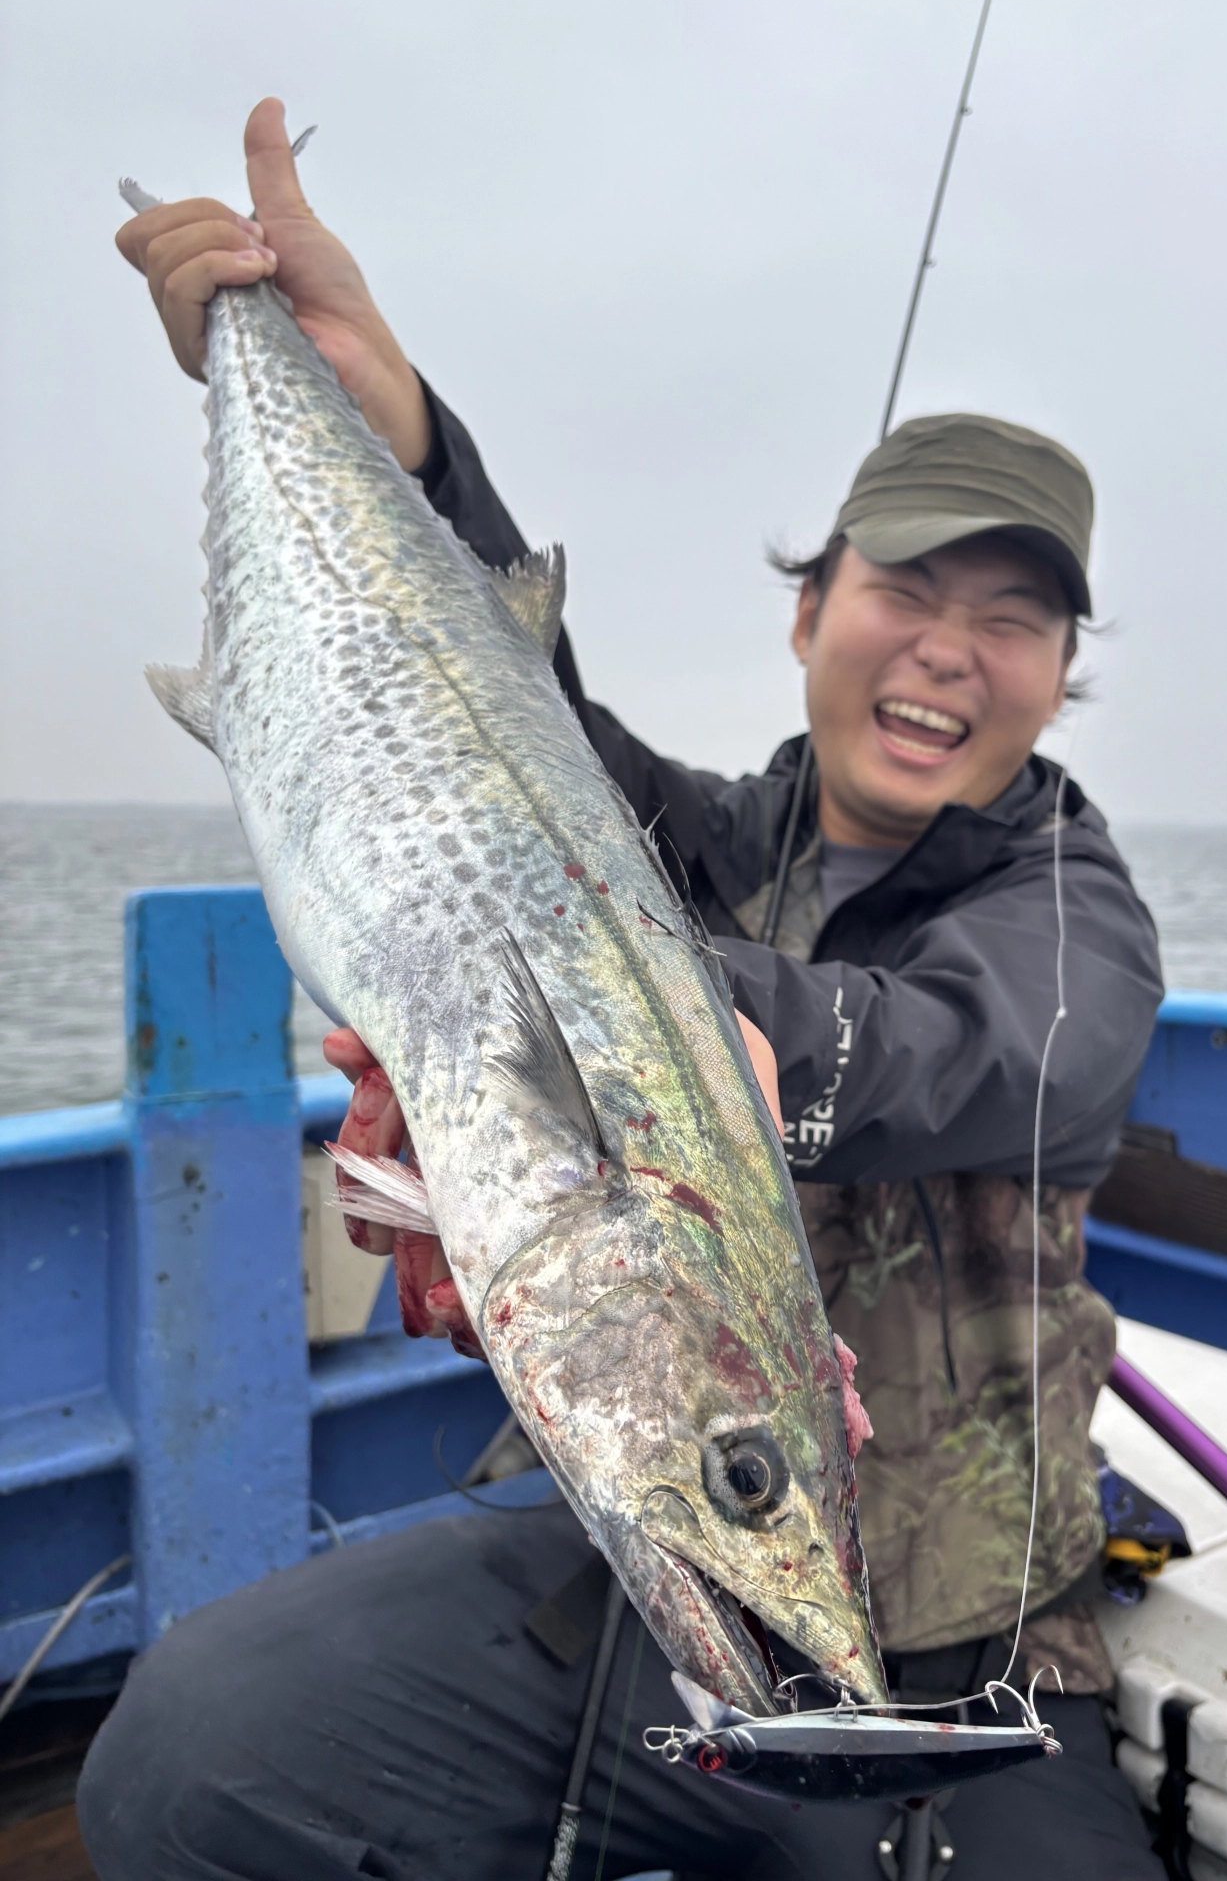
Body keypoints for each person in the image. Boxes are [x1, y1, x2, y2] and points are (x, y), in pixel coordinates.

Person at [80, 99, 1166, 1880]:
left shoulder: (1073, 917)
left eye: (1014, 619)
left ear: (1060, 677)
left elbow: (976, 1054)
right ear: (809, 614)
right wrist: (401, 430)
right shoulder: (695, 840)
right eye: (906, 587)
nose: (948, 651)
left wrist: (695, 1036)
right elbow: (502, 727)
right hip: (628, 1568)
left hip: (964, 1659)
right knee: (188, 1762)